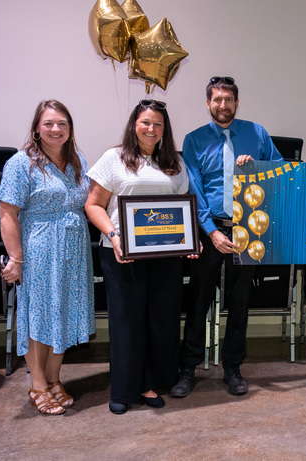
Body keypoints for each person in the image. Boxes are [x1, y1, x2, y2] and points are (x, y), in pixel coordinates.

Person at [173, 76, 283, 397]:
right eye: (217, 100)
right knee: (198, 301)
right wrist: (211, 232)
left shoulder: (257, 133)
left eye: (229, 100)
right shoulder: (194, 140)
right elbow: (193, 190)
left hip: (246, 231)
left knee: (239, 303)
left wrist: (257, 167)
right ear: (208, 103)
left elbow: (280, 171)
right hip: (209, 232)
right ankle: (188, 369)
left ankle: (232, 368)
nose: (223, 105)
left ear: (237, 103)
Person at [85, 99, 191, 414]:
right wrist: (114, 236)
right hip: (121, 255)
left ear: (164, 129)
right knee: (127, 322)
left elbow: (183, 205)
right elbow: (93, 205)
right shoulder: (113, 158)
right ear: (135, 124)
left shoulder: (174, 163)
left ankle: (153, 382)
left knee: (162, 320)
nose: (151, 128)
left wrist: (189, 241)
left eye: (158, 124)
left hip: (165, 256)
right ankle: (125, 389)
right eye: (146, 122)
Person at [0, 100, 94, 415]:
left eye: (62, 123)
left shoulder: (78, 160)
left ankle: (54, 380)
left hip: (75, 251)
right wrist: (16, 259)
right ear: (37, 128)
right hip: (39, 250)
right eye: (49, 123)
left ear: (70, 128)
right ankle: (37, 383)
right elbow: (7, 212)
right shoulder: (20, 163)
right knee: (39, 314)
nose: (56, 129)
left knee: (63, 312)